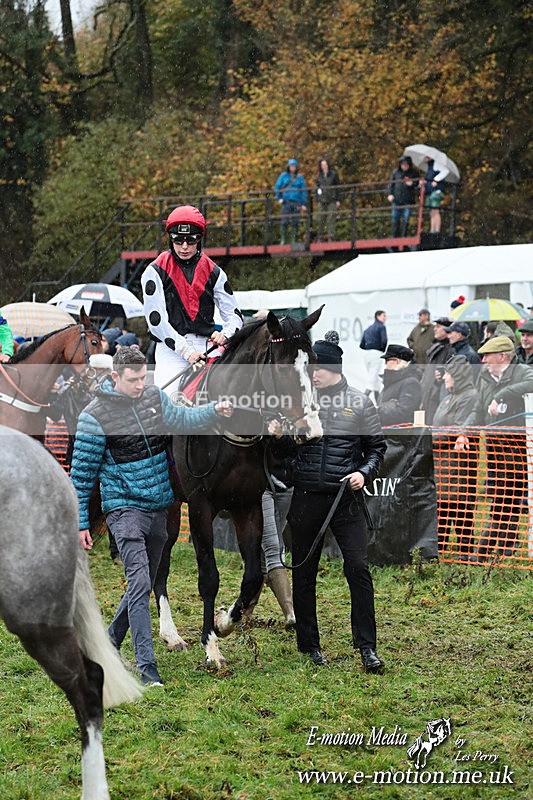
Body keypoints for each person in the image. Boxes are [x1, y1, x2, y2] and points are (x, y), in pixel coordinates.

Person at [70, 347, 233, 686]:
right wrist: (82, 522)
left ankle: (109, 641)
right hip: (123, 509)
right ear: (114, 376)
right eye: (133, 380)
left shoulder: (154, 397)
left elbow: (183, 420)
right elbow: (82, 478)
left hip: (158, 508)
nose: (140, 385)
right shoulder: (93, 417)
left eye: (144, 377)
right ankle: (147, 668)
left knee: (142, 582)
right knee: (141, 584)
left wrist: (214, 410)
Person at [270, 331, 387, 672]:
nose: (312, 374)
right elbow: (285, 451)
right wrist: (280, 441)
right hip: (306, 499)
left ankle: (367, 647)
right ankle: (309, 645)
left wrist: (363, 473)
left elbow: (377, 449)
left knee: (358, 569)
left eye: (317, 368)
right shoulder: (301, 401)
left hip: (345, 501)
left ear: (334, 368)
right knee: (304, 573)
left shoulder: (360, 403)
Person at [141, 205, 243, 395]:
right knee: (169, 398)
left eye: (191, 240)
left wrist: (226, 334)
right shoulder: (154, 271)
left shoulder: (215, 271)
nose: (184, 247)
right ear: (170, 239)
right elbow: (156, 323)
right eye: (178, 240)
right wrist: (186, 352)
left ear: (199, 239)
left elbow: (235, 316)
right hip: (172, 350)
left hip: (207, 346)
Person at [459, 336, 533, 559]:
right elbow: (478, 409)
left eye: (487, 356)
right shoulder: (485, 377)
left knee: (511, 495)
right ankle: (501, 544)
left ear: (502, 356)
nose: (483, 361)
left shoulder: (522, 371)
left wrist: (501, 395)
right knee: (501, 496)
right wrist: (464, 431)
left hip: (518, 447)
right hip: (494, 447)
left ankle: (499, 546)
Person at [432, 355, 478, 557]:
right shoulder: (448, 397)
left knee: (460, 506)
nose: (444, 377)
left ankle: (465, 550)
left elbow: (457, 429)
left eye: (448, 373)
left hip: (459, 464)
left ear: (457, 375)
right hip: (442, 462)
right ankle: (439, 547)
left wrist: (432, 437)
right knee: (442, 506)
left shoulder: (470, 396)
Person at [377, 344, 422, 426]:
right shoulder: (391, 382)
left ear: (397, 361)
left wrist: (377, 411)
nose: (385, 364)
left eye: (387, 360)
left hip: (401, 433)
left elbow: (404, 413)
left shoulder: (411, 383)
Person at [420, 316, 454, 423]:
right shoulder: (436, 348)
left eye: (438, 326)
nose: (435, 329)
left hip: (438, 397)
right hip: (429, 395)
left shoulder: (451, 350)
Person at [274, 158, 307, 245]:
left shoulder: (300, 178)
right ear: (288, 167)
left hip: (296, 202)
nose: (292, 168)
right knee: (284, 221)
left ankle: (293, 240)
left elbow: (303, 191)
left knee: (295, 221)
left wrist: (303, 203)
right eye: (291, 166)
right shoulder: (283, 176)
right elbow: (277, 187)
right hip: (286, 201)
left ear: (296, 167)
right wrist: (279, 198)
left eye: (294, 166)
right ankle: (283, 240)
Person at [387, 155, 419, 239]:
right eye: (403, 164)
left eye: (406, 164)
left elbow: (418, 184)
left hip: (408, 200)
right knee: (395, 218)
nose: (404, 166)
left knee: (406, 218)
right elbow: (390, 184)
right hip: (396, 200)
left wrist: (412, 184)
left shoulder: (414, 173)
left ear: (409, 164)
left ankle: (403, 237)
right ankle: (394, 238)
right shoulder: (395, 172)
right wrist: (390, 194)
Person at [360, 310, 388, 401]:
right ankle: (363, 399)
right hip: (376, 353)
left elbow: (362, 345)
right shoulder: (381, 327)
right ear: (378, 316)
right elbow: (384, 340)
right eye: (384, 316)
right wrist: (381, 350)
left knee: (375, 378)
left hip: (367, 354)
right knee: (373, 378)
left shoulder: (367, 329)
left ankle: (378, 402)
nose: (385, 318)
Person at [315, 158, 340, 242]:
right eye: (322, 165)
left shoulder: (334, 174)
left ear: (328, 165)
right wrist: (318, 198)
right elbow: (317, 187)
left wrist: (338, 200)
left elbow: (338, 188)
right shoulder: (319, 175)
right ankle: (320, 236)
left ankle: (330, 236)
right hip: (322, 199)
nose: (324, 166)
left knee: (331, 218)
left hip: (332, 199)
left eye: (325, 164)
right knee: (320, 218)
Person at [423, 157, 449, 234]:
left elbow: (446, 171)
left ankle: (436, 230)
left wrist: (436, 179)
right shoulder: (429, 166)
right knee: (432, 212)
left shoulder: (436, 164)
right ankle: (432, 230)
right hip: (430, 192)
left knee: (435, 210)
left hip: (436, 191)